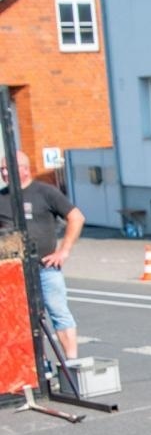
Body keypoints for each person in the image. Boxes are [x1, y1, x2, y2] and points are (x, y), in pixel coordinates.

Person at [0, 150, 85, 360]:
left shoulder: (44, 192)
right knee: (23, 319)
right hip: (14, 272)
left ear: (25, 169)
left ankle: (71, 363)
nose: (4, 173)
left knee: (58, 312)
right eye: (1, 169)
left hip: (45, 267)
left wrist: (63, 251)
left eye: (8, 168)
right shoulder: (2, 197)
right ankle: (38, 365)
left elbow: (76, 217)